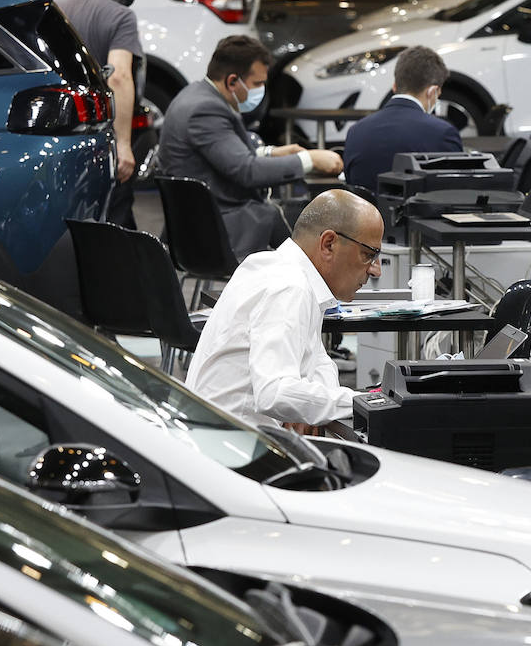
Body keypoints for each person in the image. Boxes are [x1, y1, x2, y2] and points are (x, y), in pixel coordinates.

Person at [184, 189, 383, 431]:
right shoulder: (290, 287)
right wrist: (363, 402)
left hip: (218, 436)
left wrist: (307, 407)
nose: (376, 270)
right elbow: (274, 393)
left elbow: (317, 359)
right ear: (328, 244)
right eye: (368, 255)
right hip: (234, 450)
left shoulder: (276, 268)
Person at [159, 35, 343, 260]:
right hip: (217, 232)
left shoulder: (194, 95)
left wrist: (270, 153)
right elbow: (246, 171)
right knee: (312, 225)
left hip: (198, 225)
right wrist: (310, 160)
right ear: (232, 81)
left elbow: (221, 153)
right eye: (257, 84)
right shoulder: (205, 110)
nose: (262, 90)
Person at [55, 0, 145, 228]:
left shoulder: (54, 7)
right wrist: (124, 145)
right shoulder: (120, 17)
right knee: (113, 226)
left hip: (60, 134)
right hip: (100, 138)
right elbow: (118, 77)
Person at [342, 46, 462, 195]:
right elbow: (454, 193)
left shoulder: (356, 131)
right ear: (432, 92)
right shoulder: (442, 133)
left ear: (394, 86)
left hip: (366, 216)